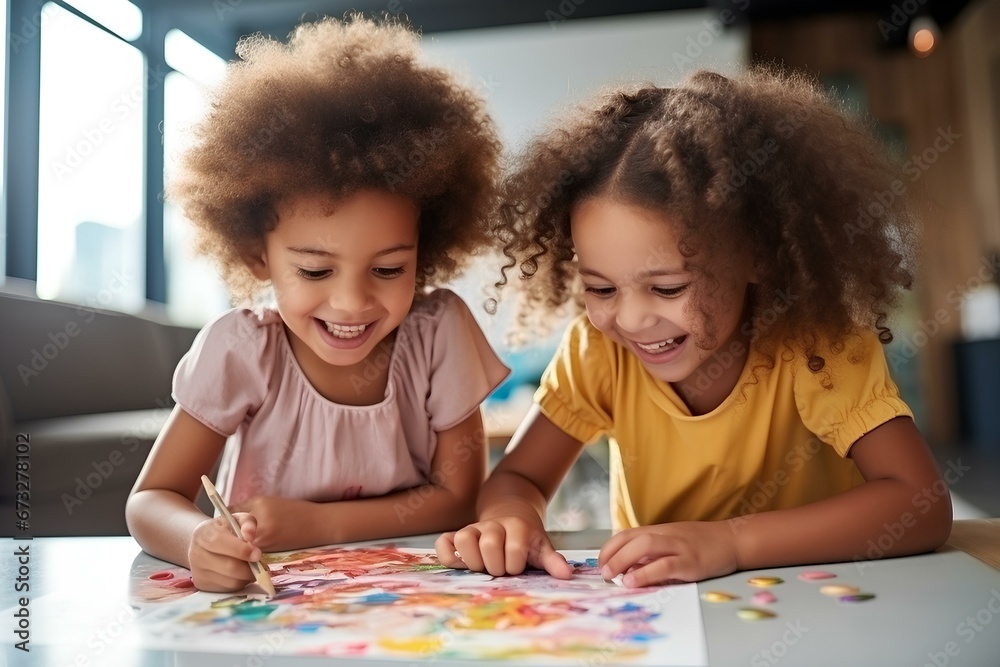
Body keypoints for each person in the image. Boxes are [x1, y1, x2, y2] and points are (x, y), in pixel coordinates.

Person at [436, 68, 953, 587]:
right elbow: (520, 476)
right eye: (601, 288)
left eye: (667, 289)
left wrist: (731, 542)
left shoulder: (816, 343)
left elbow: (920, 503)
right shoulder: (598, 350)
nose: (632, 320)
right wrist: (511, 519)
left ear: (757, 255)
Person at [126, 16, 509, 593]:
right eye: (313, 270)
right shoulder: (242, 347)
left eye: (388, 269)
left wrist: (320, 524)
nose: (352, 303)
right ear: (258, 255)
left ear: (425, 254)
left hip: (411, 606)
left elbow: (460, 501)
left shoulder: (441, 332)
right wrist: (196, 540)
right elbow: (152, 499)